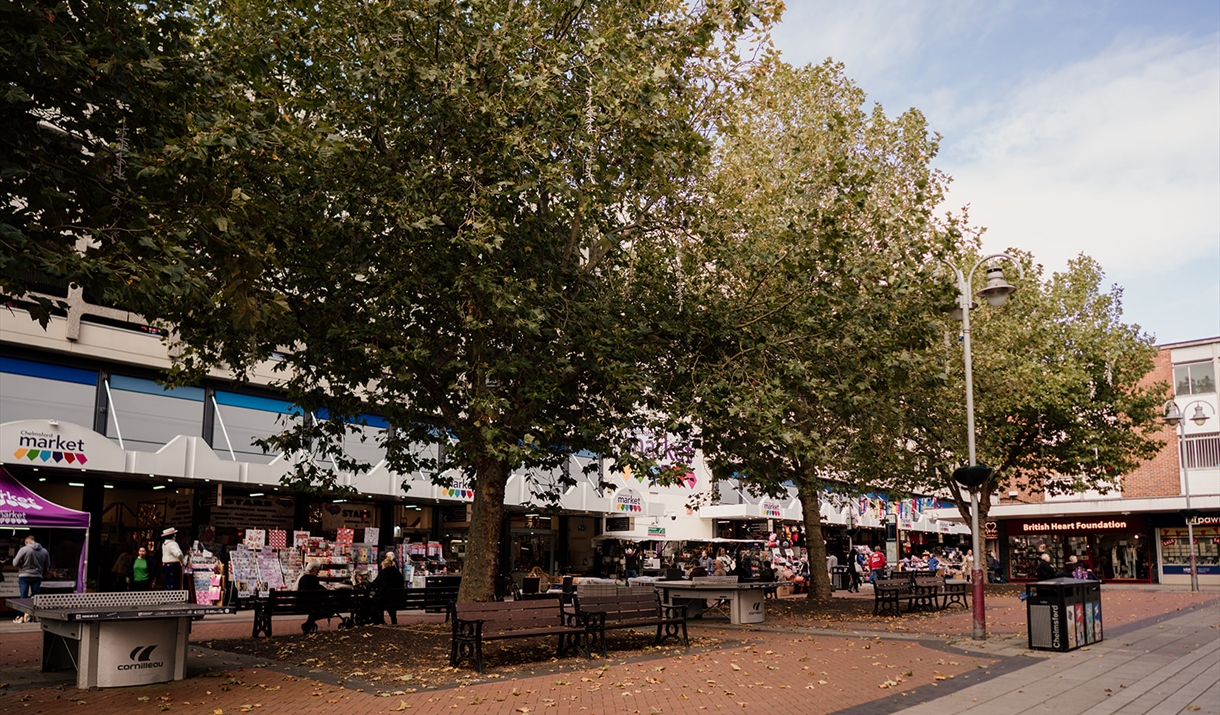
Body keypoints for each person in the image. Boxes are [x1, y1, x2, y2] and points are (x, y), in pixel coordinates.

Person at [13, 534, 51, 622]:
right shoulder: (44, 551)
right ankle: (35, 616)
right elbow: (48, 565)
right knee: (36, 596)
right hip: (37, 576)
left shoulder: (23, 549)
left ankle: (21, 617)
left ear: (27, 542)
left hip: (24, 575)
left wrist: (23, 563)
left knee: (23, 596)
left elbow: (15, 563)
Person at [372, 553, 404, 624]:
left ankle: (380, 620)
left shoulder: (384, 573)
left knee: (375, 601)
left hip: (385, 599)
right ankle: (393, 619)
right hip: (398, 599)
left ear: (385, 566)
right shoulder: (397, 573)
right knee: (390, 599)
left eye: (382, 566)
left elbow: (375, 584)